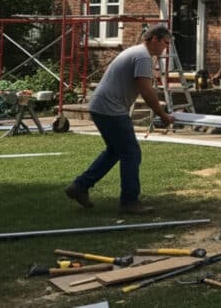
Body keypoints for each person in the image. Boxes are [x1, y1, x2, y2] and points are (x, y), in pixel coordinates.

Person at [66, 24, 174, 213]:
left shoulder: (136, 52)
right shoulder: (143, 57)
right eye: (165, 43)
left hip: (101, 106)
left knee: (115, 151)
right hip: (110, 109)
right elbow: (145, 89)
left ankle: (80, 187)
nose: (165, 48)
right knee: (131, 153)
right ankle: (129, 202)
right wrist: (162, 115)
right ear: (154, 39)